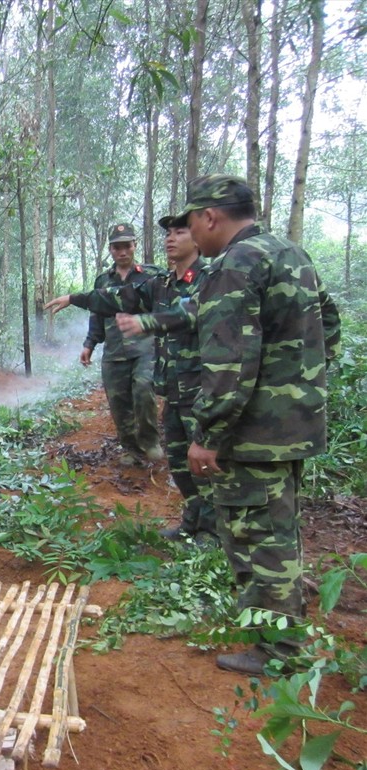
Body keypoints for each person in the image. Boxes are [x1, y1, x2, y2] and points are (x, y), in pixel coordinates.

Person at [169, 174, 340, 675]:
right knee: (278, 531)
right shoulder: (291, 253)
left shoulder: (237, 264)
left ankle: (276, 652)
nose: (192, 232)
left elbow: (229, 364)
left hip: (253, 435)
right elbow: (328, 324)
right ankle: (279, 634)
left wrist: (207, 436)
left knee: (258, 538)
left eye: (192, 221)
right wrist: (297, 383)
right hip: (290, 426)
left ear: (210, 216)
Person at [46, 216, 216, 543]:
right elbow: (117, 300)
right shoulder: (161, 284)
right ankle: (193, 523)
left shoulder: (209, 280)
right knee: (181, 464)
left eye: (180, 232)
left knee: (205, 464)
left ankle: (213, 531)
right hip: (175, 388)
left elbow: (192, 316)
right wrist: (75, 298)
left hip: (202, 390)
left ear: (197, 239)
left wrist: (148, 323)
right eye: (167, 233)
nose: (170, 239)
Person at [79, 224, 164, 466]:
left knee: (143, 389)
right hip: (114, 350)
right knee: (118, 402)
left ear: (134, 246)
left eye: (127, 246)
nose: (123, 251)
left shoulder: (151, 275)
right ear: (110, 250)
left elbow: (163, 311)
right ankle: (131, 449)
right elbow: (96, 314)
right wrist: (89, 344)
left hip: (145, 347)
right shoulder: (103, 280)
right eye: (117, 247)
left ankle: (150, 442)